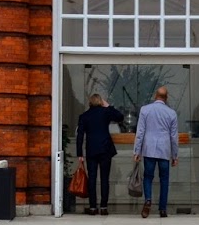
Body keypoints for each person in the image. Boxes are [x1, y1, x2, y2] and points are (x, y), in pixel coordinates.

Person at [76, 93, 126, 215]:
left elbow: (80, 136)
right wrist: (108, 106)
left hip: (91, 150)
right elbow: (120, 117)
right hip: (105, 149)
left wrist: (79, 154)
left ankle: (93, 207)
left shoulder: (84, 116)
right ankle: (103, 207)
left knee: (92, 179)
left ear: (90, 102)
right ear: (100, 102)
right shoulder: (105, 112)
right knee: (105, 178)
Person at [133, 85, 179, 218]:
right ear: (166, 98)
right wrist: (174, 155)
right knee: (164, 179)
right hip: (164, 150)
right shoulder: (171, 113)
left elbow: (140, 132)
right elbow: (174, 137)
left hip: (149, 149)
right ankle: (163, 209)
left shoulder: (145, 110)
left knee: (148, 177)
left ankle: (148, 200)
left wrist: (137, 151)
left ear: (155, 96)